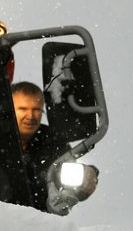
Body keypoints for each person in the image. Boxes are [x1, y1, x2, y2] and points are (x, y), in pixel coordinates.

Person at [11, 81, 97, 209]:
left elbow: (71, 189)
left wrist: (86, 178)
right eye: (23, 109)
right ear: (8, 110)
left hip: (36, 223)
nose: (30, 116)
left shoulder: (53, 142)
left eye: (37, 110)